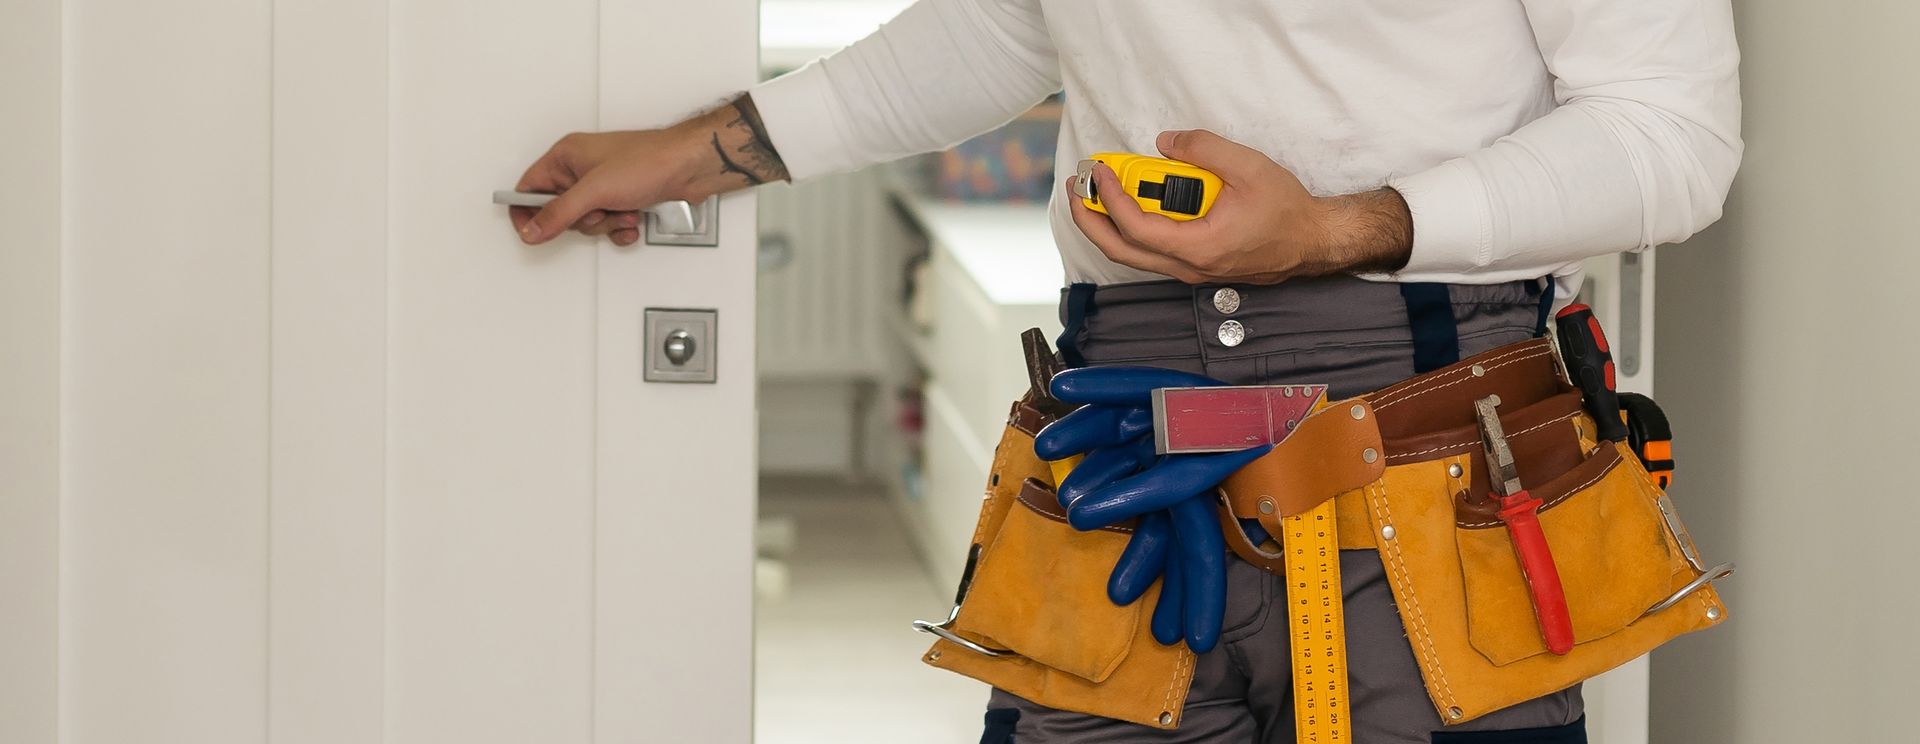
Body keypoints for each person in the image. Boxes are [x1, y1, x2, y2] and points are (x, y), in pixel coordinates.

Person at [509, 1, 1741, 741]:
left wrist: (1326, 228)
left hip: (1424, 449)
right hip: (1123, 435)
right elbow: (1004, 28)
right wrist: (699, 155)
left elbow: (1671, 137)